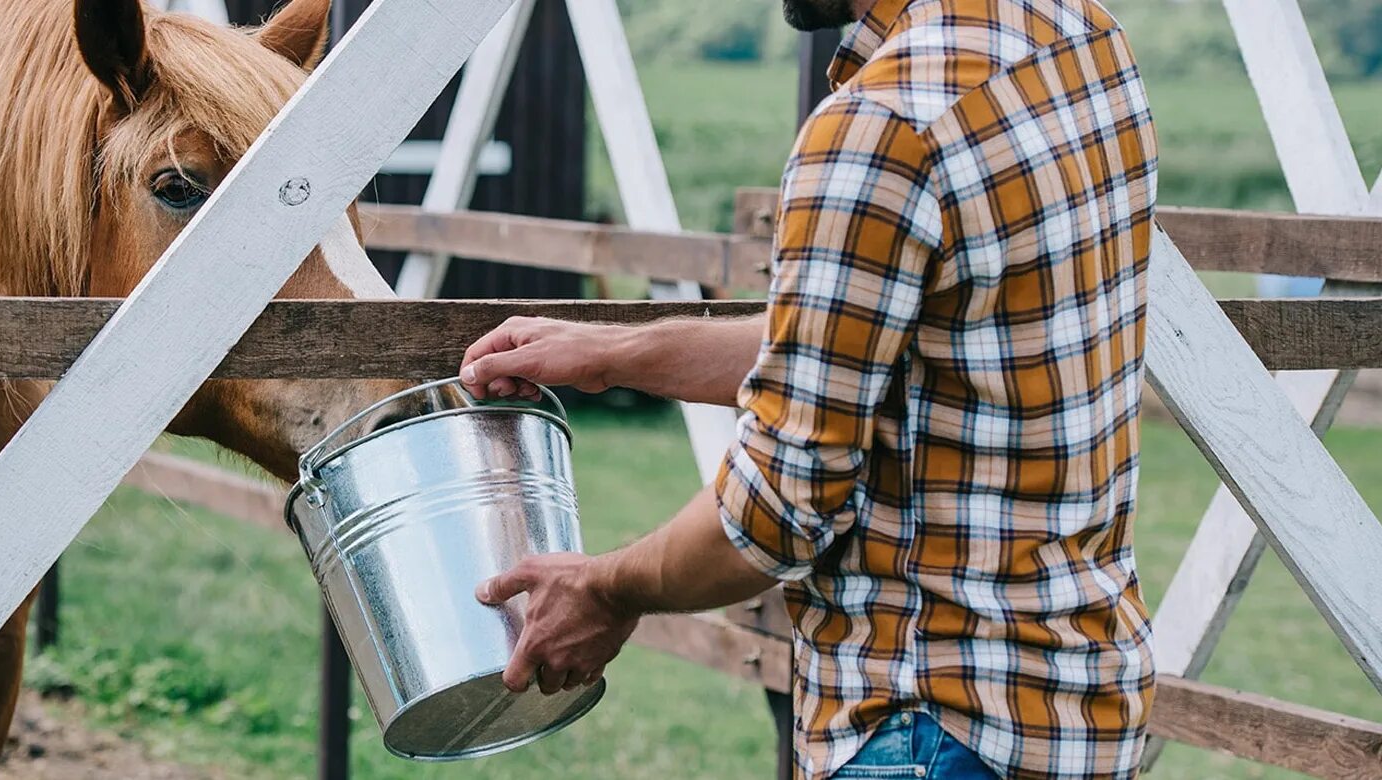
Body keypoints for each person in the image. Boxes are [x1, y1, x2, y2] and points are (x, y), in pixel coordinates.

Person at [457, 0, 1157, 777]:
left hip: (926, 726)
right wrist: (621, 353)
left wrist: (606, 588)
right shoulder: (1079, 38)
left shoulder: (881, 126)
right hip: (1073, 711)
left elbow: (778, 512)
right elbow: (889, 340)